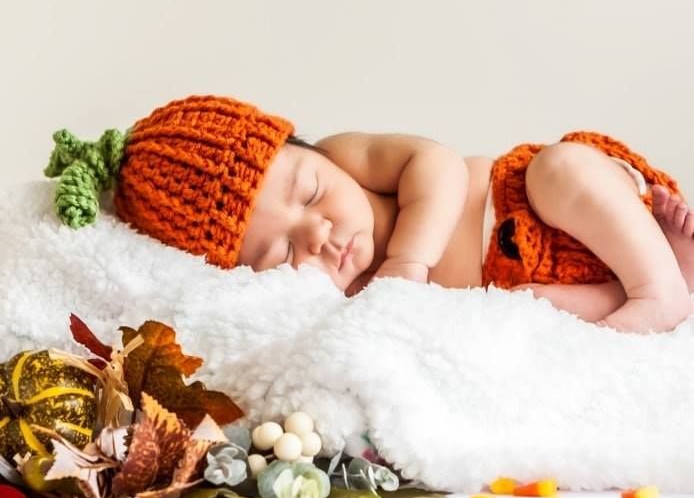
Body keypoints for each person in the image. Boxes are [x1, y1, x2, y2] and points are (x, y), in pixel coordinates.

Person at [45, 94, 694, 335]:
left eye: (307, 194)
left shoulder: (347, 156)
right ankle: (656, 279)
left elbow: (437, 163)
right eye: (278, 254)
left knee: (563, 166)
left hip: (542, 206)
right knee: (531, 310)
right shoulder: (337, 301)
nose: (318, 235)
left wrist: (408, 260)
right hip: (533, 276)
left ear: (303, 149)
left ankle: (656, 284)